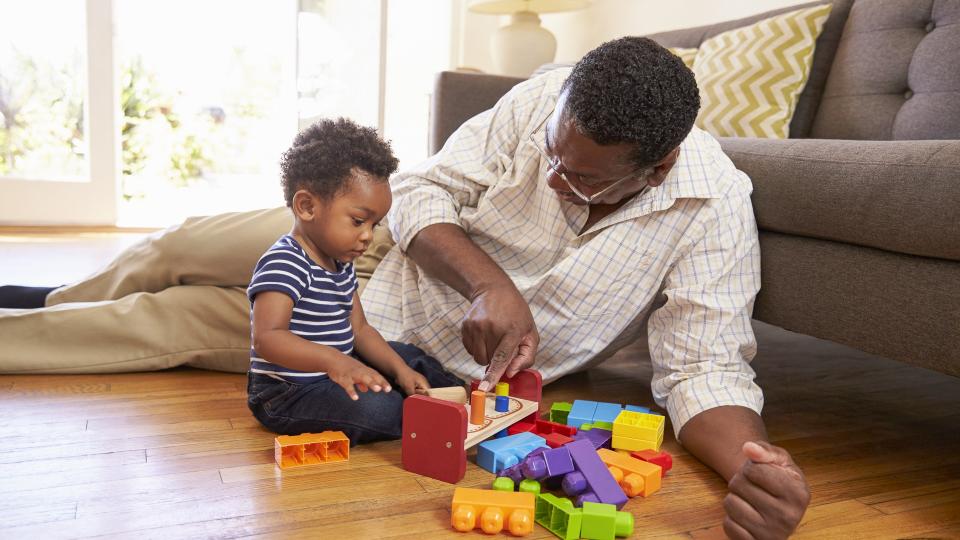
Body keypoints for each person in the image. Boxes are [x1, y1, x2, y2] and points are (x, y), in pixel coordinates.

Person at [0, 37, 809, 538]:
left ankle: (37, 324)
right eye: (553, 158)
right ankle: (56, 292)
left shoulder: (713, 204)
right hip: (373, 238)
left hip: (368, 335)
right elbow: (422, 192)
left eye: (581, 179)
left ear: (657, 167)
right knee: (176, 243)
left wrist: (752, 464)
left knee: (160, 320)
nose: (555, 176)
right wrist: (490, 284)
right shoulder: (543, 100)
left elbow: (705, 368)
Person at [245, 118, 462, 444]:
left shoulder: (341, 260)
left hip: (338, 369)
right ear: (306, 206)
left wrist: (399, 370)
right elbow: (268, 338)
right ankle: (424, 412)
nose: (367, 237)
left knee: (409, 356)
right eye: (359, 221)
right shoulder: (284, 262)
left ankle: (457, 399)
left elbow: (359, 330)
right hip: (288, 392)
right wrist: (335, 360)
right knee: (380, 410)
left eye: (374, 225)